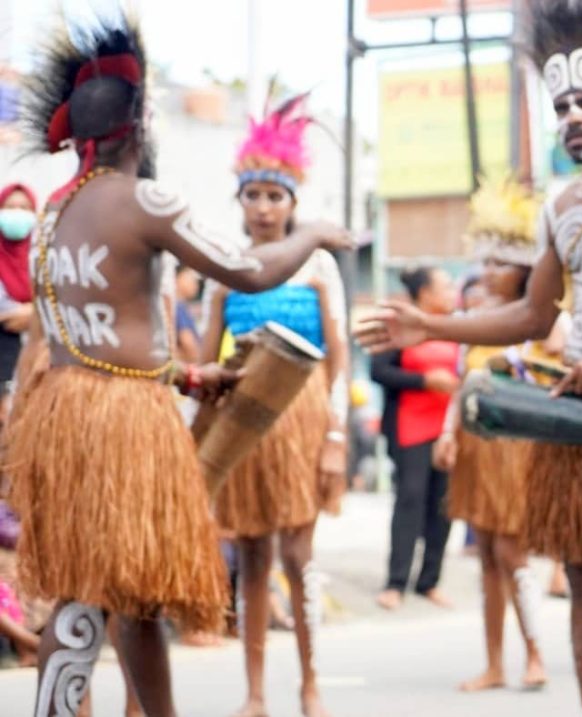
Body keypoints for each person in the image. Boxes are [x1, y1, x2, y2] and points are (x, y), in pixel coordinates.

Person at [358, 2, 582, 713]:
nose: (574, 117)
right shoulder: (560, 208)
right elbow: (532, 312)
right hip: (578, 411)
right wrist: (430, 323)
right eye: (562, 105)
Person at [6, 15, 348, 717]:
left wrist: (189, 377)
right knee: (122, 591)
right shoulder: (143, 200)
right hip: (124, 423)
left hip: (66, 409)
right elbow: (249, 270)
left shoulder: (53, 216)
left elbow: (82, 334)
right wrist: (313, 232)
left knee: (102, 586)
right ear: (139, 130)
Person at [200, 90, 350, 717]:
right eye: (253, 196)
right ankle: (256, 693)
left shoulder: (316, 264)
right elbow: (208, 357)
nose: (263, 208)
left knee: (297, 552)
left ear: (293, 203)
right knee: (254, 555)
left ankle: (311, 682)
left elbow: (339, 355)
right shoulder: (221, 267)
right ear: (240, 201)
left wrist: (337, 435)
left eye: (275, 196)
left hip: (305, 416)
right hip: (245, 419)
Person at [431, 176, 547, 691]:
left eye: (504, 261)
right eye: (488, 260)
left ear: (526, 268)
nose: (491, 270)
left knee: (512, 553)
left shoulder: (542, 321)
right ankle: (496, 663)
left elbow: (553, 374)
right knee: (487, 559)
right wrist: (448, 431)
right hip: (478, 449)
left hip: (520, 449)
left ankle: (536, 655)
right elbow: (461, 384)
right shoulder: (474, 319)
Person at [371, 266, 458, 611]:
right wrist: (424, 381)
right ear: (425, 295)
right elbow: (380, 371)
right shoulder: (400, 326)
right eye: (446, 286)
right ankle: (396, 582)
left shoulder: (458, 329)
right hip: (410, 425)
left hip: (448, 428)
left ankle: (430, 580)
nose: (453, 293)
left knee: (444, 503)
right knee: (409, 499)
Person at [0, 182, 38, 420]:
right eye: (10, 206)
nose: (17, 213)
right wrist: (37, 312)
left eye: (24, 207)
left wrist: (35, 314)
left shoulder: (43, 255)